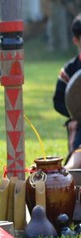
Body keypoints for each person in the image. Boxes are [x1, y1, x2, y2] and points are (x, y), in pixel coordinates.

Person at [53, 13, 81, 169]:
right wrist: (74, 114)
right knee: (74, 126)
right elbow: (58, 101)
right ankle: (69, 172)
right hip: (79, 122)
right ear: (76, 40)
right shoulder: (69, 70)